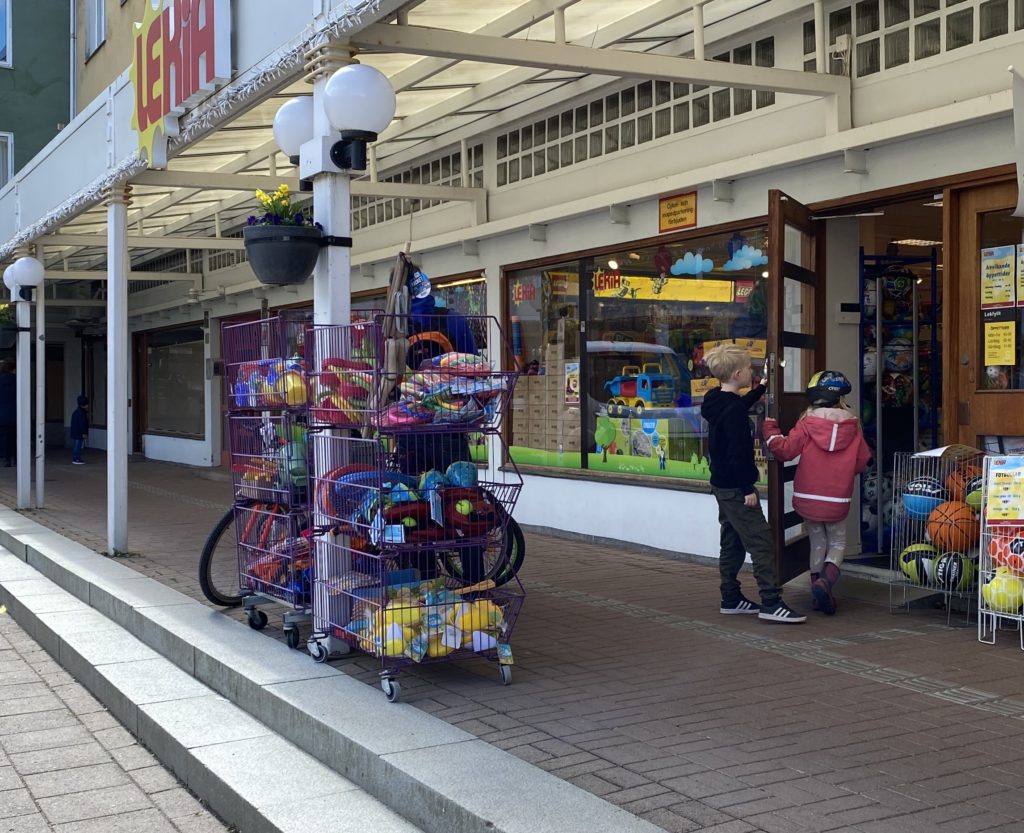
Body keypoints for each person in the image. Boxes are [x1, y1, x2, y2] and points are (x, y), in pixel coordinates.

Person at [394, 264, 485, 585]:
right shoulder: (453, 320)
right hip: (450, 429)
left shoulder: (394, 329)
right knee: (464, 502)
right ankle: (475, 582)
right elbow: (476, 371)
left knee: (414, 506)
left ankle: (425, 582)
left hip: (408, 431)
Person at [701, 343, 805, 623]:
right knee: (761, 542)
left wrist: (759, 390)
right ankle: (771, 602)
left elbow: (736, 406)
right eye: (748, 368)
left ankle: (731, 597)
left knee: (732, 540)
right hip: (738, 488)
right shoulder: (733, 412)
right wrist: (748, 488)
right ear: (737, 374)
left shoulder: (715, 399)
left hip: (721, 485)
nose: (751, 371)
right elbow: (739, 454)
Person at [762, 371, 871, 615]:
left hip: (807, 496)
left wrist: (770, 429)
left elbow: (785, 450)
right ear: (840, 398)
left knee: (817, 541)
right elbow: (863, 461)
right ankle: (826, 582)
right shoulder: (853, 426)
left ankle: (816, 592)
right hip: (837, 497)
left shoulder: (807, 423)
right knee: (837, 542)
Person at [0, 360, 14, 467]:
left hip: (2, 413)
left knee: (4, 437)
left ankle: (6, 459)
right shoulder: (17, 379)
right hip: (16, 413)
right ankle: (17, 458)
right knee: (16, 436)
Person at [70, 395, 89, 465]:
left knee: (77, 445)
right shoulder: (81, 413)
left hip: (76, 431)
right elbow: (82, 424)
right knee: (77, 445)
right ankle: (76, 458)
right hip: (79, 432)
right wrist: (84, 432)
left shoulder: (76, 412)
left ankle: (76, 458)